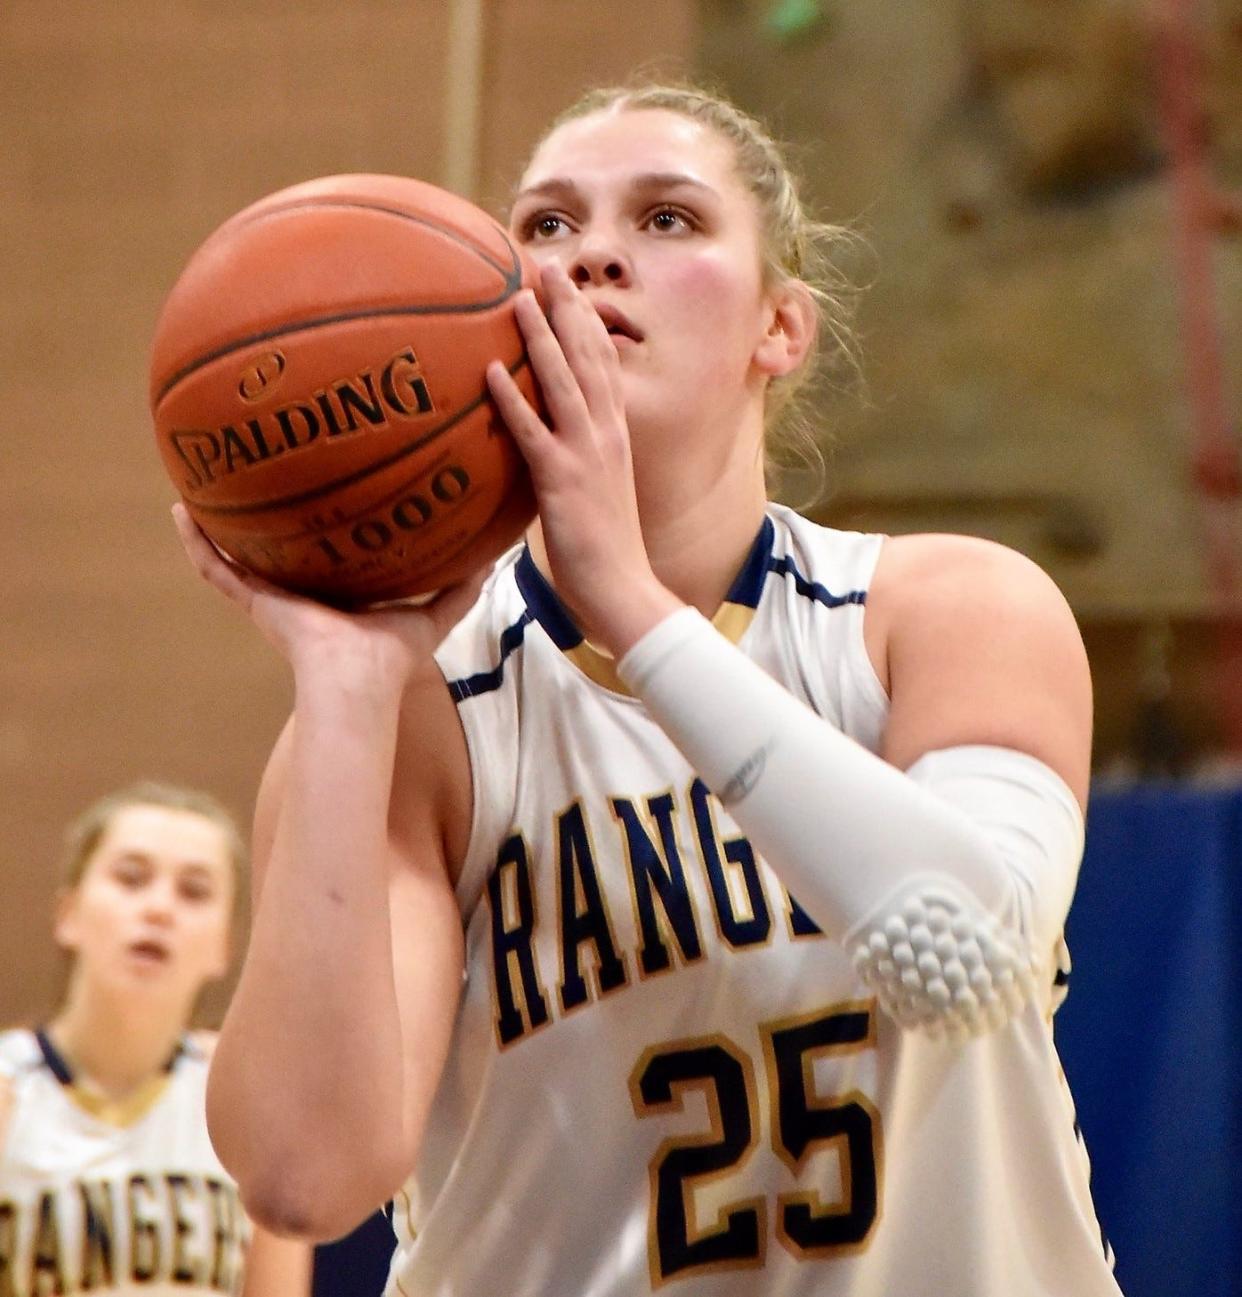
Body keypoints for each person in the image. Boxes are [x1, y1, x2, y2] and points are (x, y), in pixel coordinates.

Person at [172, 80, 1122, 1295]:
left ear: (781, 328)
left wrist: (633, 604)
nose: (595, 258)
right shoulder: (427, 712)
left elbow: (969, 962)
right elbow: (306, 1177)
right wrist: (346, 692)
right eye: (547, 227)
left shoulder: (946, 613)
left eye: (667, 220)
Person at [0, 782, 313, 1297]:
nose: (160, 908)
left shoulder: (250, 1104)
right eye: (131, 878)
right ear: (69, 914)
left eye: (194, 891)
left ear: (223, 947)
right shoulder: (13, 1092)